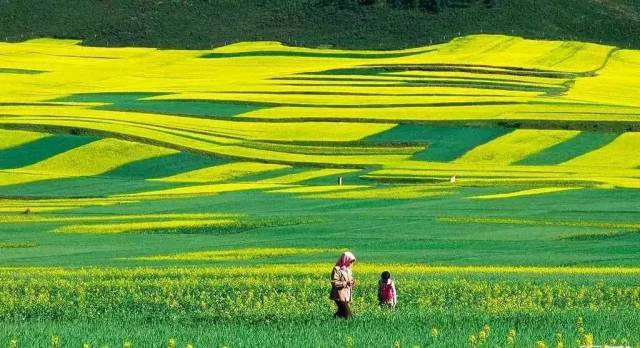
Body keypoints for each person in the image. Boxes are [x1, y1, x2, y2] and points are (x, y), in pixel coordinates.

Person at [330, 251, 356, 319]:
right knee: (348, 315)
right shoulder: (337, 269)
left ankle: (330, 323)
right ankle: (351, 327)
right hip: (339, 296)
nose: (351, 263)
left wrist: (352, 282)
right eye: (350, 261)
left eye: (352, 262)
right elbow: (334, 283)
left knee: (341, 313)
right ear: (345, 259)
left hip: (346, 295)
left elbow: (350, 280)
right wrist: (346, 283)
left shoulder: (348, 270)